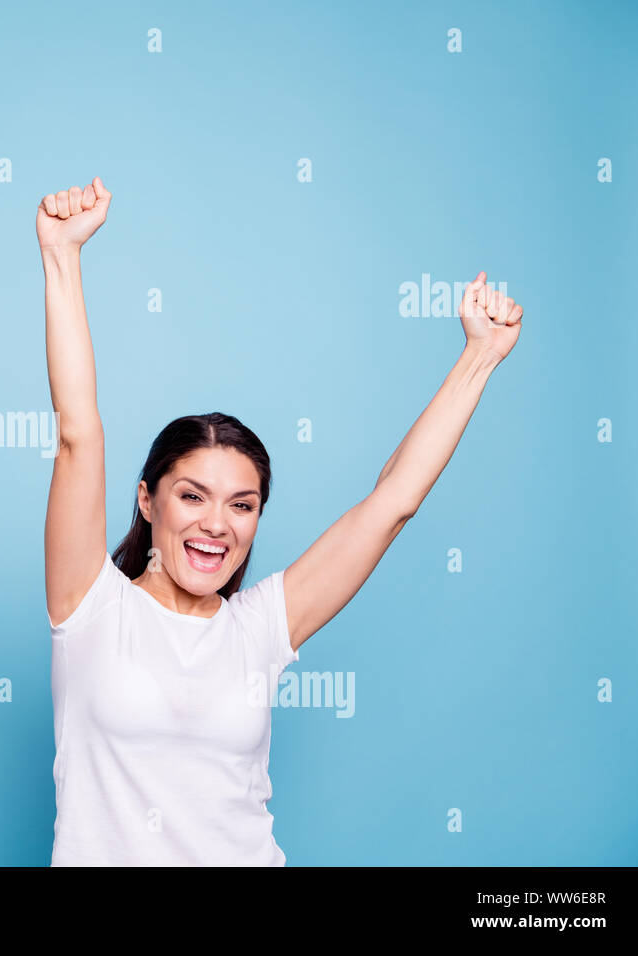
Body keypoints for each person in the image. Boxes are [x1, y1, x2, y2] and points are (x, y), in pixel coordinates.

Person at [36, 176, 523, 865]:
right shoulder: (87, 604)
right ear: (147, 501)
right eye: (192, 496)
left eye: (242, 505)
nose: (217, 524)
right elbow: (78, 434)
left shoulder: (260, 628)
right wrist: (62, 255)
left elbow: (393, 502)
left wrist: (480, 356)